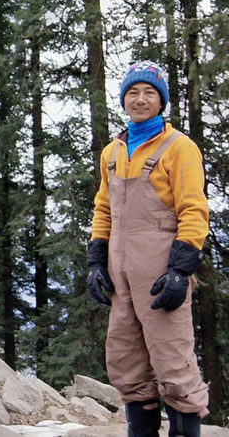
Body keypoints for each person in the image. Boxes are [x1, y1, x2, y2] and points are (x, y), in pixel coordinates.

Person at [86, 61, 209, 436]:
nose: (140, 99)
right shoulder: (113, 151)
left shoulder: (179, 147)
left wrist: (180, 270)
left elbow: (194, 209)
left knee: (173, 362)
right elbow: (104, 208)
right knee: (127, 363)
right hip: (121, 279)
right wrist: (96, 261)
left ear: (162, 102)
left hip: (161, 276)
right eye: (133, 92)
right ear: (124, 99)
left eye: (149, 93)